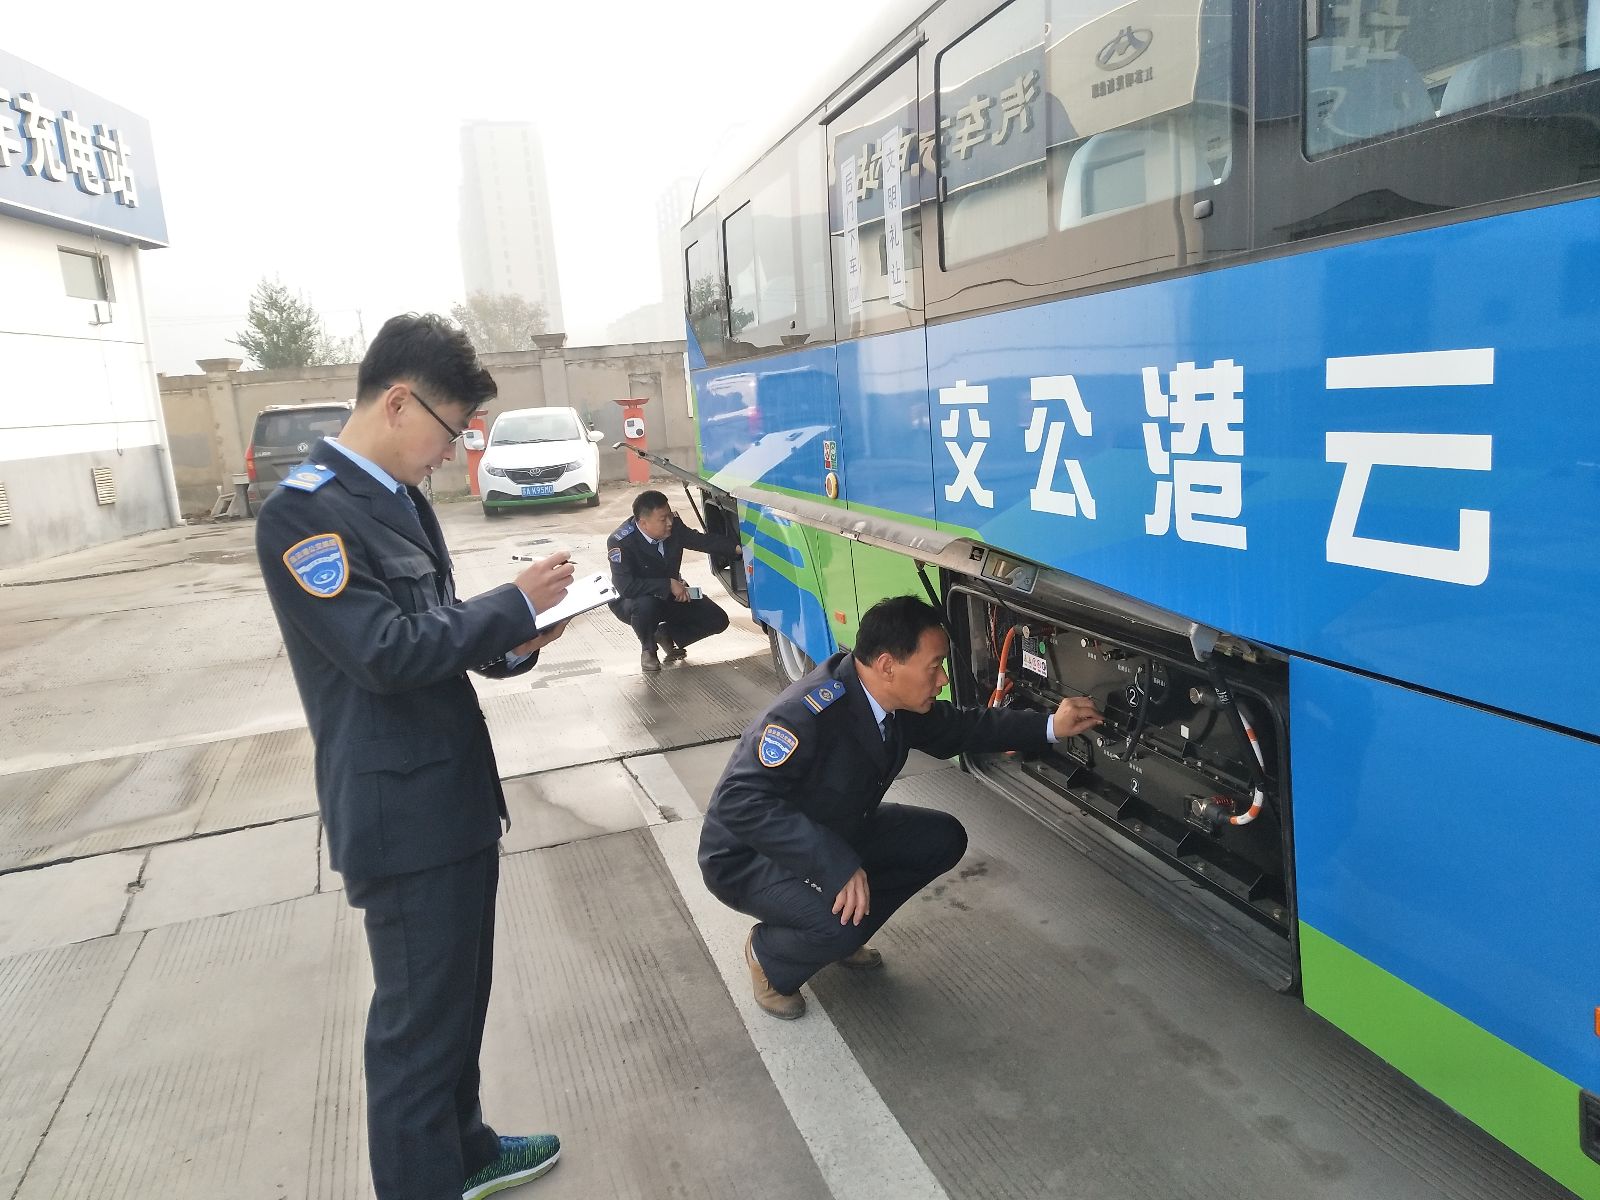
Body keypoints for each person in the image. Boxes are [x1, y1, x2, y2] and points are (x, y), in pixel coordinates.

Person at [254, 314, 572, 1200]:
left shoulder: (400, 500)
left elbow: (439, 627)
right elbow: (384, 652)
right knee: (415, 1035)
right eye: (451, 429)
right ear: (399, 403)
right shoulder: (304, 513)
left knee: (458, 1005)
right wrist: (511, 603)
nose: (452, 451)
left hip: (454, 797)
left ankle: (465, 1151)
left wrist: (517, 641)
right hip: (400, 819)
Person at [698, 594, 1103, 1020]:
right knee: (841, 925)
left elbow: (961, 727)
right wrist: (835, 865)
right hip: (750, 858)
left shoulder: (889, 700)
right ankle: (770, 955)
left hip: (832, 829)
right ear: (888, 665)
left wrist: (1049, 725)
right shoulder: (805, 716)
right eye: (934, 666)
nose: (942, 679)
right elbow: (741, 803)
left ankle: (839, 931)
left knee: (940, 839)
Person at [607, 489, 739, 673]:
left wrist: (736, 548)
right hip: (633, 600)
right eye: (663, 519)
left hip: (671, 594)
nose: (669, 522)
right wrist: (667, 584)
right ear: (643, 523)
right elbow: (626, 587)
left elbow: (701, 541)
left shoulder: (673, 527)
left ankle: (666, 634)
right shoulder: (621, 541)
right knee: (646, 604)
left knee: (718, 619)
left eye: (669, 515)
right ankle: (648, 650)